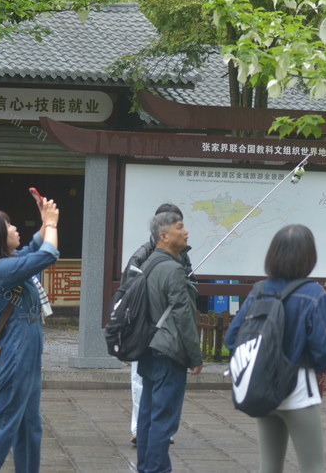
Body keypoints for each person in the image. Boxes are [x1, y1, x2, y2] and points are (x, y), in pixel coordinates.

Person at [224, 224, 326, 473]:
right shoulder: (313, 293)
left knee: (269, 466)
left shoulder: (259, 291)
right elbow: (324, 347)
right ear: (309, 256)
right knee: (313, 466)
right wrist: (319, 370)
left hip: (262, 386)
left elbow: (232, 338)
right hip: (298, 388)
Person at [0, 191, 59, 473]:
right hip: (16, 357)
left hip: (25, 354)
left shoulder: (5, 263)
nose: (15, 228)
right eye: (8, 226)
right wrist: (52, 225)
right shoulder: (1, 270)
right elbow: (47, 254)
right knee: (6, 425)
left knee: (29, 425)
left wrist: (45, 220)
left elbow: (33, 247)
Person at [135, 211, 203, 473]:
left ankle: (146, 467)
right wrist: (195, 357)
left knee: (148, 416)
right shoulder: (173, 269)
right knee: (164, 419)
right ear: (163, 236)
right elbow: (184, 317)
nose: (185, 232)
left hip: (149, 348)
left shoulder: (149, 263)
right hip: (168, 351)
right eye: (180, 227)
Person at [122, 203, 191, 446]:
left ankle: (155, 433)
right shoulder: (142, 255)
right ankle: (139, 430)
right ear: (163, 231)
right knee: (140, 383)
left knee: (157, 389)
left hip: (166, 335)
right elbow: (129, 293)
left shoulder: (182, 256)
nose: (184, 231)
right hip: (144, 331)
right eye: (178, 226)